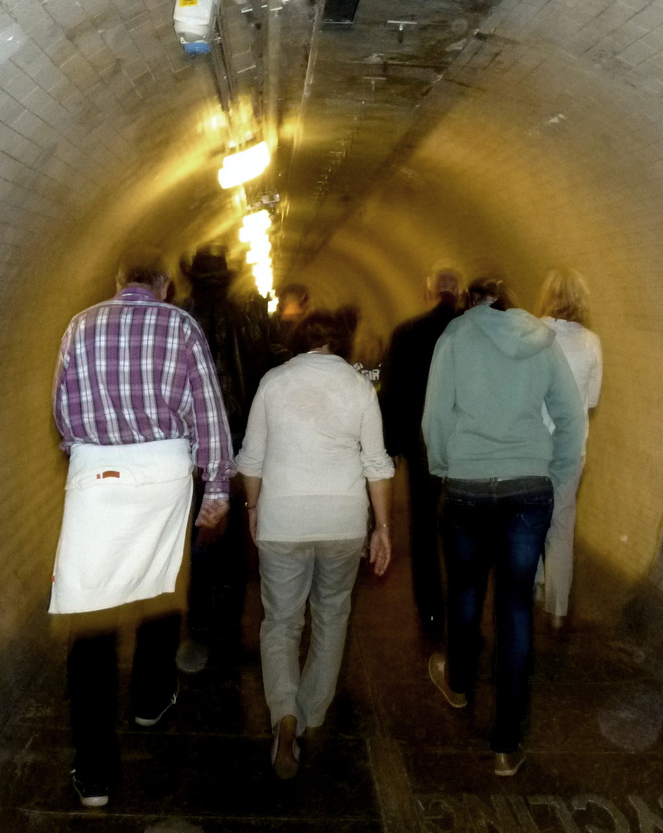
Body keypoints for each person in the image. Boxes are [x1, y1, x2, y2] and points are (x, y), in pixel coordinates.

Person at [50, 245, 232, 808]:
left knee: (91, 615)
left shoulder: (79, 325)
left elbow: (62, 412)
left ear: (117, 280)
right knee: (158, 586)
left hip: (95, 475)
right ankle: (151, 702)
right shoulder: (181, 327)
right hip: (164, 474)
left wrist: (82, 450)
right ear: (164, 286)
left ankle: (94, 772)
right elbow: (208, 410)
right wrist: (218, 487)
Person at [423, 278, 585, 776]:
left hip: (468, 486)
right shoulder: (542, 340)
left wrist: (447, 467)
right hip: (527, 487)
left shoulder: (453, 337)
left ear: (471, 302)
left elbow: (435, 419)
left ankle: (459, 682)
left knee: (466, 593)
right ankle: (507, 744)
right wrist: (554, 476)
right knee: (516, 610)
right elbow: (571, 416)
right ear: (510, 302)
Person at [237, 310, 394, 779]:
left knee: (282, 621)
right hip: (343, 521)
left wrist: (253, 508)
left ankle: (284, 712)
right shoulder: (359, 388)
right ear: (341, 343)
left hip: (283, 519)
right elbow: (377, 465)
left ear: (299, 340)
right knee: (332, 613)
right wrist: (382, 527)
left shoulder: (273, 382)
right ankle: (311, 715)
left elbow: (251, 458)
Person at [177, 245, 274, 672]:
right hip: (238, 436)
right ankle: (230, 627)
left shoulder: (177, 319)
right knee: (234, 539)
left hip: (190, 442)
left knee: (199, 537)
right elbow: (261, 374)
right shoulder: (247, 318)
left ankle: (198, 632)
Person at [378, 268, 461, 638]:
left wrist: (391, 443)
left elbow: (391, 390)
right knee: (464, 532)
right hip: (466, 445)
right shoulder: (471, 330)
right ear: (457, 292)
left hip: (421, 442)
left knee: (424, 530)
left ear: (429, 292)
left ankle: (430, 611)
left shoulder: (406, 332)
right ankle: (464, 609)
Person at [537, 268, 603, 628]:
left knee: (528, 520)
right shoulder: (591, 342)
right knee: (561, 524)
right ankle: (558, 607)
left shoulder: (532, 334)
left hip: (532, 447)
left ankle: (530, 585)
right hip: (570, 449)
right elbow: (591, 399)